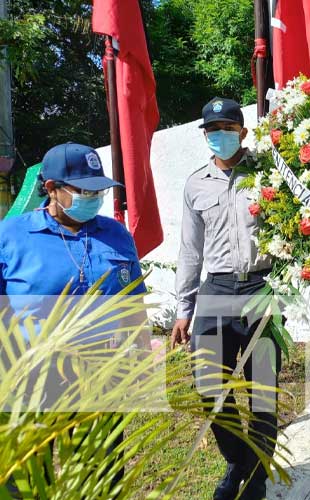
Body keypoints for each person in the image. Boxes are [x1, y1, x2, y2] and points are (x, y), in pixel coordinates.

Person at [0, 142, 149, 485]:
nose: (93, 199)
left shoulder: (116, 234)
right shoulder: (11, 237)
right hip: (30, 382)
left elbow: (133, 303)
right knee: (28, 480)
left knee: (102, 477)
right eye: (84, 191)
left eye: (98, 191)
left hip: (102, 377)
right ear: (51, 189)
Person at [172, 97, 278, 500]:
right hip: (215, 291)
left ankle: (257, 478)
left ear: (243, 133)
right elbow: (189, 250)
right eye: (212, 131)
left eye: (227, 131)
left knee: (263, 388)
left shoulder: (268, 175)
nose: (219, 137)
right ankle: (238, 461)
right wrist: (183, 308)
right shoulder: (195, 184)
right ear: (205, 135)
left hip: (260, 289)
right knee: (208, 385)